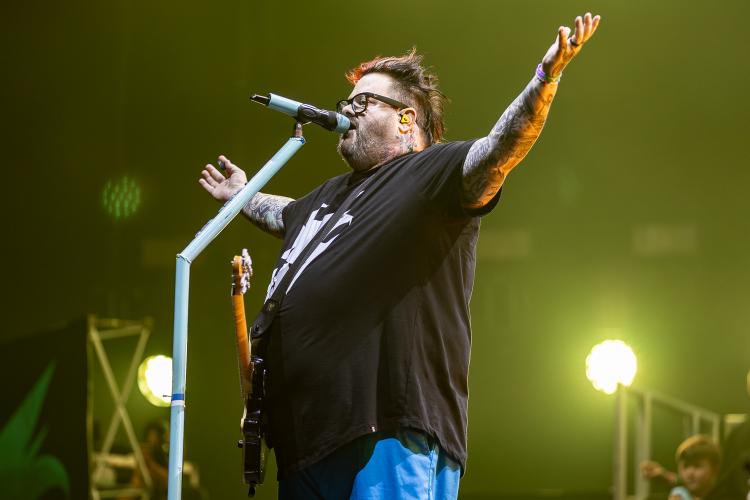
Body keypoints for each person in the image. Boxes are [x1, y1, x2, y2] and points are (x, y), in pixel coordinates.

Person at [199, 12, 601, 500]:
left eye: (363, 102)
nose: (347, 111)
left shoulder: (426, 175)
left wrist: (544, 78)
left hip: (387, 430)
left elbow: (499, 151)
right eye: (346, 102)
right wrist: (241, 195)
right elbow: (283, 215)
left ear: (406, 119)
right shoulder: (328, 197)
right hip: (305, 446)